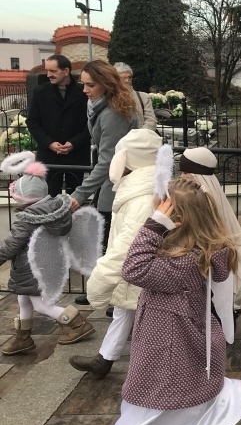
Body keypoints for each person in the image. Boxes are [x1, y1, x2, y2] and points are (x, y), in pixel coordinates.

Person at [91, 178, 241, 425]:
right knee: (205, 390)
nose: (155, 211)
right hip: (178, 340)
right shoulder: (195, 250)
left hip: (167, 349)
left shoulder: (183, 261)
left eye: (162, 208)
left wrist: (154, 225)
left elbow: (133, 268)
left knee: (140, 413)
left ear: (178, 219)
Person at [69, 129, 164, 379]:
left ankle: (158, 373)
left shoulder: (141, 198)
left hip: (142, 271)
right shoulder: (143, 188)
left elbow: (127, 245)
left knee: (149, 319)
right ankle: (105, 359)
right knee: (126, 309)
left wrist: (100, 281)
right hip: (140, 271)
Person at [0, 153, 95, 355]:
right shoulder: (54, 211)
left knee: (41, 305)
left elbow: (12, 244)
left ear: (22, 197)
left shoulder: (27, 218)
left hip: (30, 267)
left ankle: (78, 324)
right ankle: (23, 338)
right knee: (23, 299)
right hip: (43, 263)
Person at [69, 60, 137, 306]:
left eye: (90, 85)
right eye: (83, 84)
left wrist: (79, 193)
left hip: (118, 182)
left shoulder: (112, 114)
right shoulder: (102, 107)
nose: (85, 89)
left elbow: (108, 160)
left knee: (114, 242)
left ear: (106, 85)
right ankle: (107, 294)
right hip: (111, 181)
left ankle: (114, 298)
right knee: (108, 239)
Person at [179, 147, 241, 293]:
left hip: (207, 270)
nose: (182, 176)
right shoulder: (205, 193)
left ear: (196, 174)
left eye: (186, 172)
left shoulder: (201, 200)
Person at [26, 54, 90, 196]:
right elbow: (32, 122)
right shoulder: (40, 92)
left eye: (53, 71)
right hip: (49, 156)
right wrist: (49, 143)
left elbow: (91, 123)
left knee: (76, 199)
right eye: (47, 71)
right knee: (49, 197)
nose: (49, 75)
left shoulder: (84, 92)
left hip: (76, 155)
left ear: (66, 71)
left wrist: (74, 143)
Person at [114, 63, 158, 131]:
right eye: (123, 78)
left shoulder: (143, 97)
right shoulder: (110, 97)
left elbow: (151, 121)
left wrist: (138, 136)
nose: (127, 80)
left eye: (129, 77)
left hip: (140, 137)